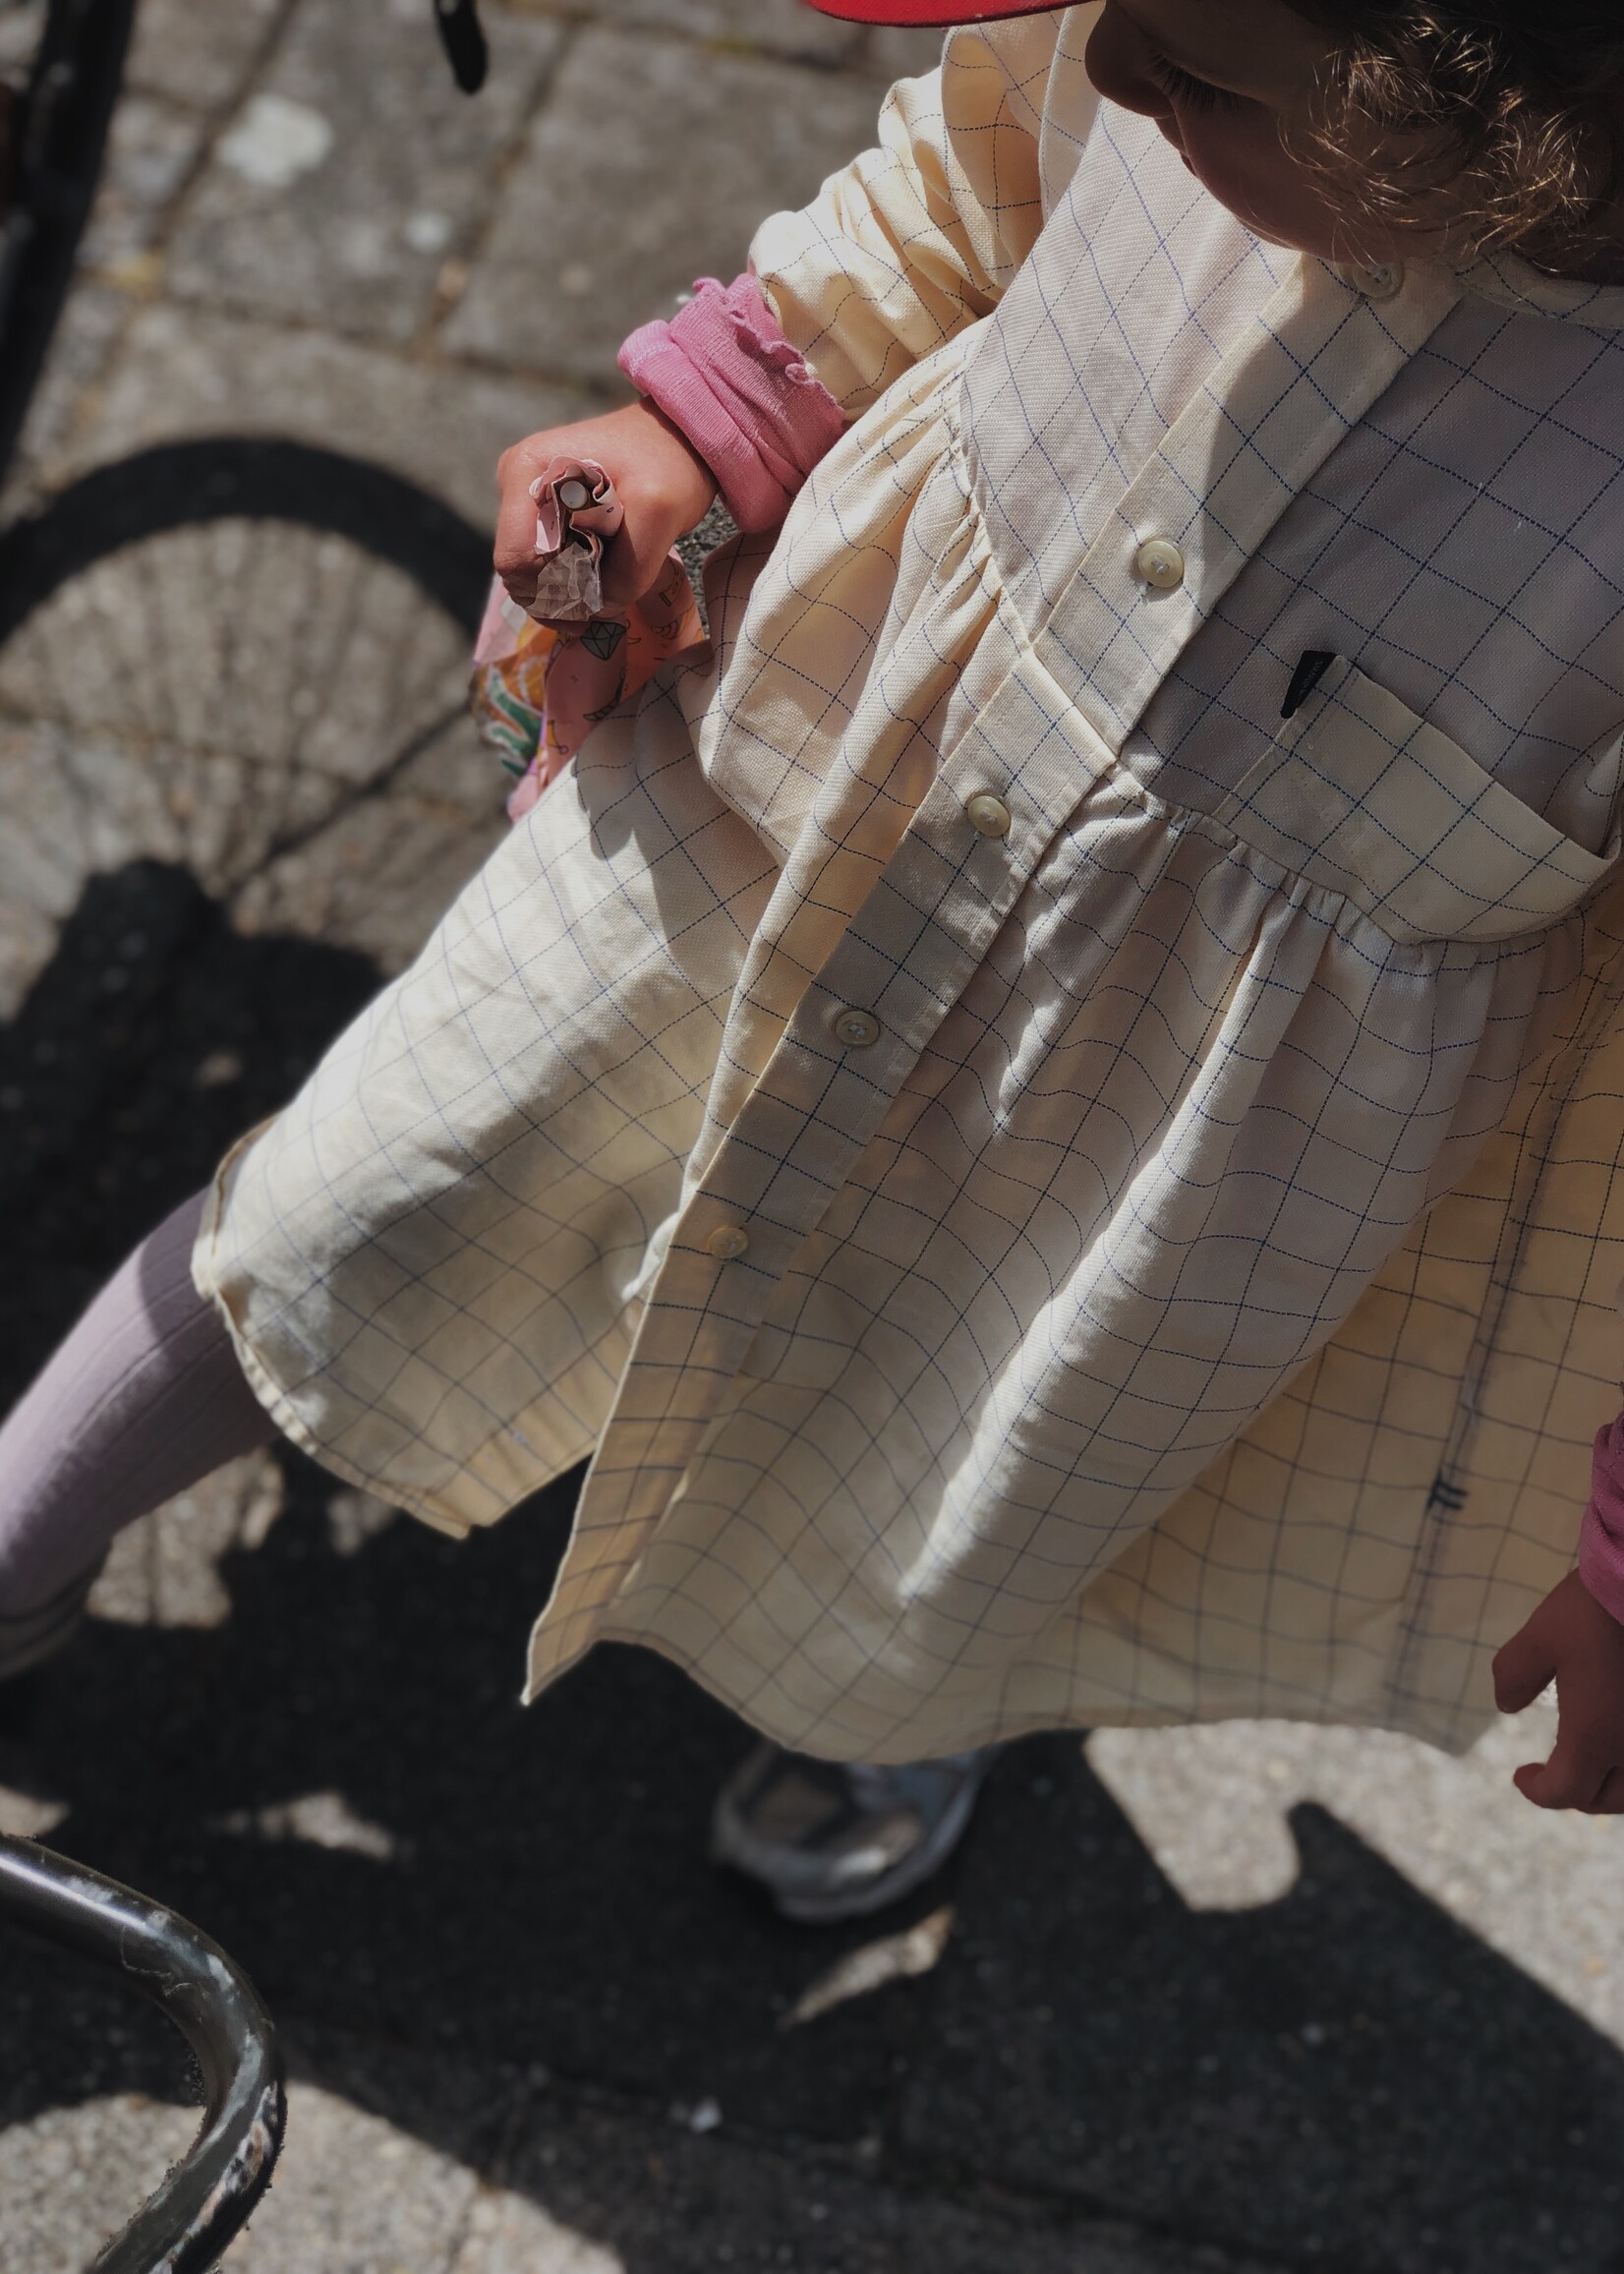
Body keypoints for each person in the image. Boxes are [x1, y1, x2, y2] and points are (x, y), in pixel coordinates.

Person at [8, 0, 1624, 1920]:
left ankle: (894, 1690)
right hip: (783, 802)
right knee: (364, 1192)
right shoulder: (1176, 40)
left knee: (957, 1463)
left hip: (1168, 1129)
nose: (1113, 75)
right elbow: (971, 174)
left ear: (1484, 133)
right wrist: (694, 416)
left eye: (1192, 81)